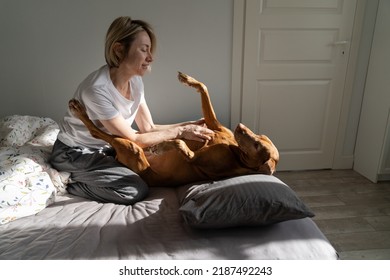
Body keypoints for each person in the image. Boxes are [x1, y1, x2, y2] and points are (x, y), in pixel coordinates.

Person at [49, 16, 213, 205]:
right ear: (119, 50)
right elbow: (134, 139)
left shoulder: (135, 82)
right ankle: (69, 183)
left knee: (151, 169)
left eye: (150, 50)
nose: (150, 57)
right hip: (74, 152)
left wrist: (190, 124)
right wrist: (180, 131)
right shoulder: (96, 90)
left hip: (106, 148)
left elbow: (148, 128)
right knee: (134, 190)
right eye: (144, 49)